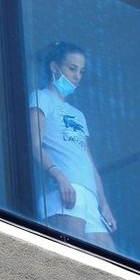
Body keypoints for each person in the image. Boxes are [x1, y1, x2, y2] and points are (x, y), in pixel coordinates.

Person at [29, 41, 117, 249]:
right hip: (66, 191)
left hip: (89, 197)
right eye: (72, 68)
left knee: (111, 262)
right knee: (72, 258)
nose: (77, 76)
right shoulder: (41, 98)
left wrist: (103, 203)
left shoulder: (78, 114)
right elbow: (35, 145)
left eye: (81, 71)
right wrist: (60, 177)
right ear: (54, 67)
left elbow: (90, 163)